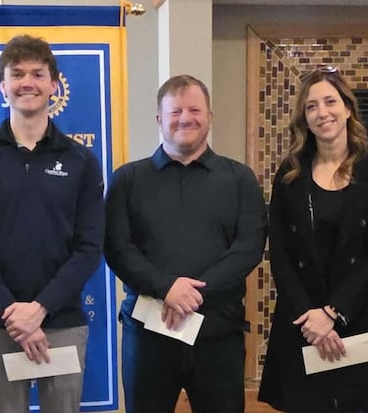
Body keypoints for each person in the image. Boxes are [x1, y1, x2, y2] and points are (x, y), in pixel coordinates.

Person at [0, 35, 104, 413]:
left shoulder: (81, 160)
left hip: (62, 322)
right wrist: (13, 313)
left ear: (54, 84)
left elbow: (89, 248)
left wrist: (40, 309)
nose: (27, 82)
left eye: (38, 73)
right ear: (1, 86)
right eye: (16, 74)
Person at [104, 74, 267, 413]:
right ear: (159, 119)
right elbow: (118, 249)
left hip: (218, 334)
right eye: (175, 111)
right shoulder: (127, 180)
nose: (185, 118)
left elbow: (248, 247)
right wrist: (166, 287)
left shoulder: (239, 179)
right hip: (148, 335)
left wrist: (192, 293)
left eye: (195, 109)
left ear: (209, 117)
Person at [258, 66, 368, 413]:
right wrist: (312, 317)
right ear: (304, 119)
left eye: (330, 102)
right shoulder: (289, 175)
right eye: (311, 106)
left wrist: (334, 313)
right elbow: (280, 251)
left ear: (348, 108)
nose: (323, 113)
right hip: (303, 320)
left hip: (360, 315)